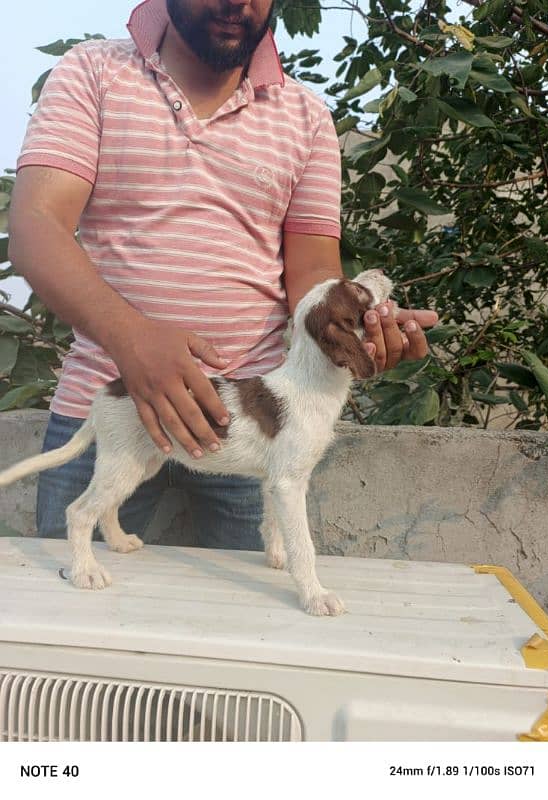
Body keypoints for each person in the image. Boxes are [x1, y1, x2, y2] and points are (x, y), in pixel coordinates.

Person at [8, 0, 438, 549]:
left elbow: (312, 275)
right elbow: (35, 224)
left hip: (250, 416)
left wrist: (359, 324)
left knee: (246, 623)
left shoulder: (306, 116)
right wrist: (130, 339)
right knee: (79, 620)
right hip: (110, 397)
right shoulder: (92, 71)